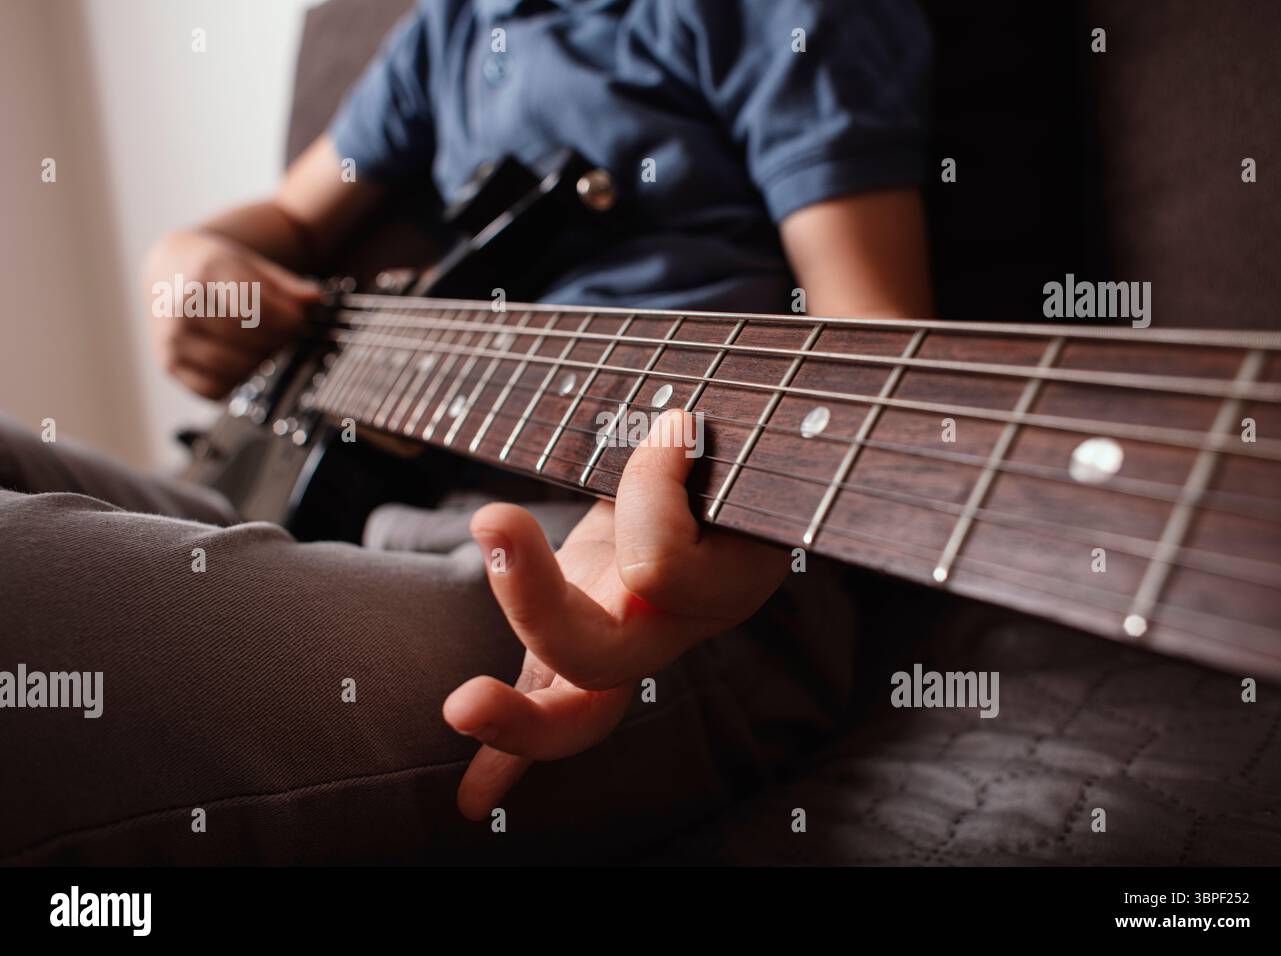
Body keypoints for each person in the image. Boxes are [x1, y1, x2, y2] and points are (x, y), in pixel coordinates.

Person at [0, 0, 933, 863]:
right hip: (363, 498)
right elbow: (290, 216)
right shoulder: (455, 23)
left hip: (648, 590)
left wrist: (718, 495)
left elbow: (872, 361)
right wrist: (189, 257)